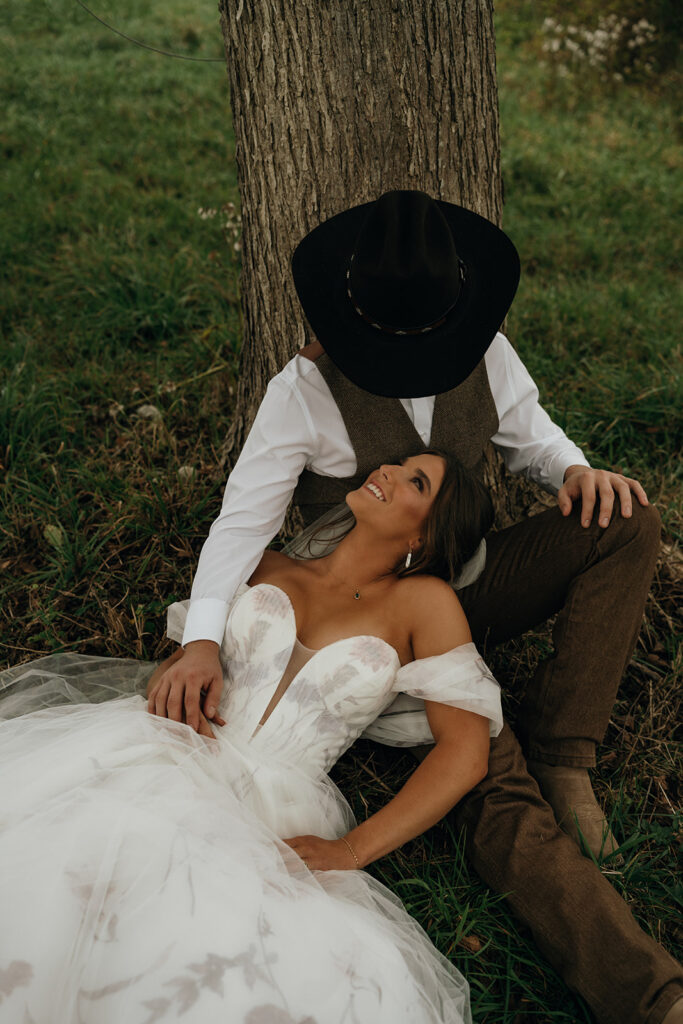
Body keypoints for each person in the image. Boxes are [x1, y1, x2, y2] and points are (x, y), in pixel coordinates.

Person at [151, 190, 683, 1024]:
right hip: (372, 621)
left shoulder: (483, 349)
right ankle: (649, 996)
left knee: (628, 520)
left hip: (469, 579)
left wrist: (574, 470)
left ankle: (566, 753)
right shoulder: (302, 391)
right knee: (493, 794)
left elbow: (532, 435)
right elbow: (242, 520)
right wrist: (204, 641)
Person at [0, 451, 504, 1023]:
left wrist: (350, 850)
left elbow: (465, 755)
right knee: (68, 863)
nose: (386, 471)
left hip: (276, 803)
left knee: (206, 935)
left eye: (416, 481)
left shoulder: (425, 603)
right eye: (400, 463)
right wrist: (178, 675)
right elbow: (187, 663)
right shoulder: (265, 564)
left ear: (432, 536)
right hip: (175, 749)